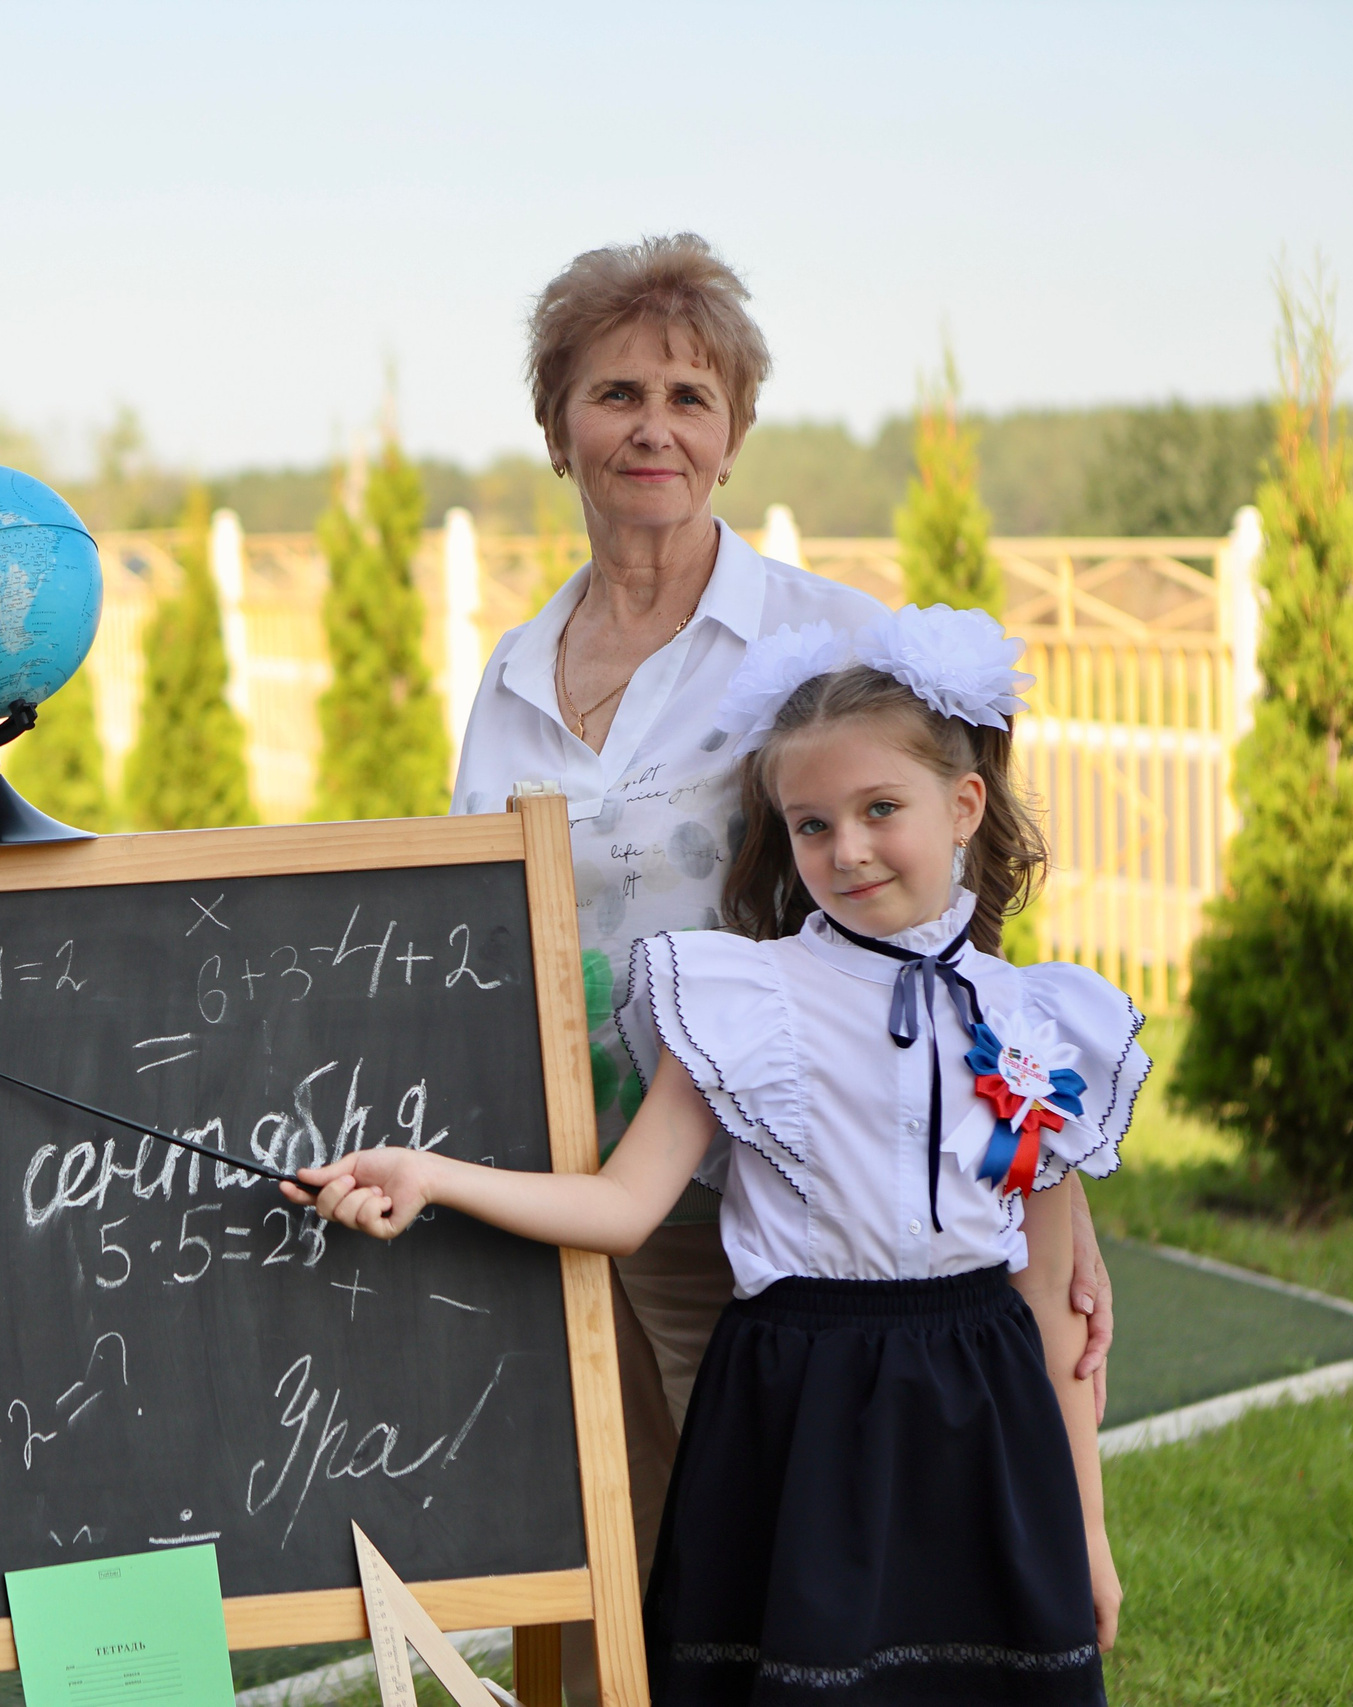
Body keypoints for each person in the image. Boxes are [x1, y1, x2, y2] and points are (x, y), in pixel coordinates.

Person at [448, 233, 1114, 1701]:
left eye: (690, 394)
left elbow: (954, 903)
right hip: (557, 1163)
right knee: (592, 1539)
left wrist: (1031, 1182)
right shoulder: (507, 673)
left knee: (752, 1549)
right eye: (615, 391)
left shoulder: (822, 637)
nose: (653, 427)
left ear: (735, 431)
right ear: (557, 423)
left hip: (758, 1188)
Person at [296, 605, 1136, 1702]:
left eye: (881, 809)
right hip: (800, 1409)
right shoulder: (744, 1001)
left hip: (982, 1418)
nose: (848, 850)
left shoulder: (1039, 1024)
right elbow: (623, 1206)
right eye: (810, 824)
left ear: (964, 804)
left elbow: (1049, 1300)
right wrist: (432, 1174)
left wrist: (1085, 1529)